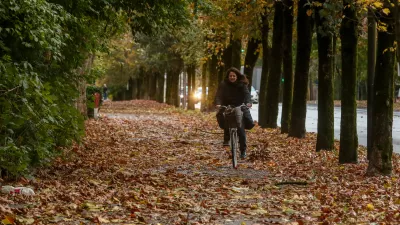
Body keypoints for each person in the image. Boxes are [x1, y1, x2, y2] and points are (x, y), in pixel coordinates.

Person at [215, 67, 253, 159]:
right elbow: (218, 95)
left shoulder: (242, 84)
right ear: (228, 77)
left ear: (237, 76)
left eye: (234, 76)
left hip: (239, 106)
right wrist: (218, 104)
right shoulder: (223, 84)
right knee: (222, 117)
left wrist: (248, 102)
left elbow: (247, 94)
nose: (232, 77)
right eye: (230, 76)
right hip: (227, 106)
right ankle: (226, 139)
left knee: (241, 129)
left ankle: (243, 151)